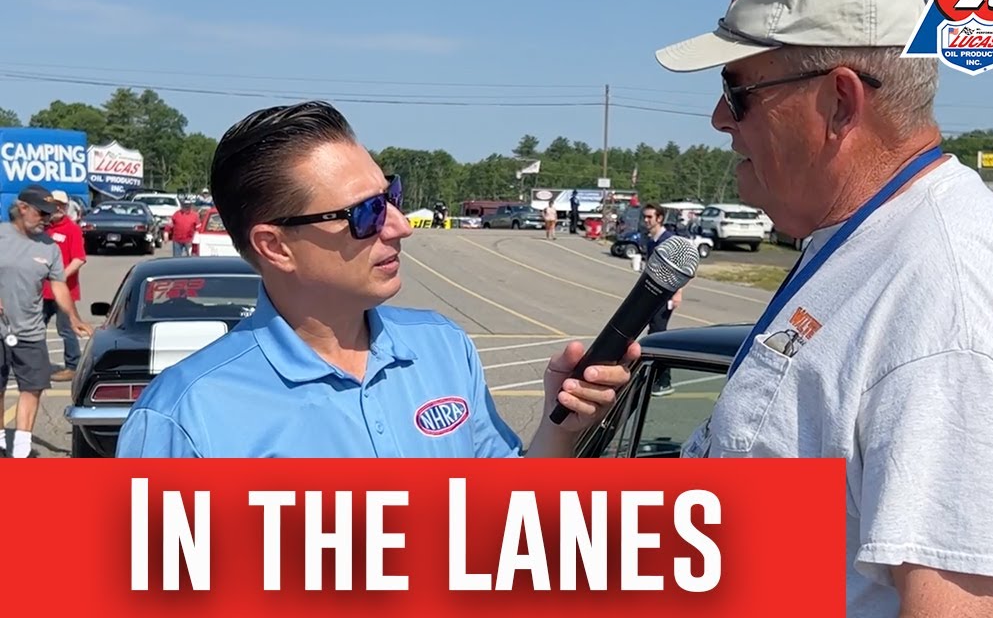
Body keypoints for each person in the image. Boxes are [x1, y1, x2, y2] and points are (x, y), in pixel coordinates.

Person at [653, 0, 993, 618]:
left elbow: (955, 607)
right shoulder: (876, 242)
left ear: (840, 103)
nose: (720, 119)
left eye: (737, 90)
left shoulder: (949, 287)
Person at [116, 101, 635, 458]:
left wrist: (559, 426)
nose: (400, 226)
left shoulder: (442, 347)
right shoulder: (185, 417)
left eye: (392, 197)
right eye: (365, 213)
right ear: (275, 246)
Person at [0, 186, 94, 457]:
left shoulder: (49, 247)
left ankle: (21, 448)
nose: (46, 219)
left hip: (30, 330)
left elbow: (59, 285)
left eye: (49, 214)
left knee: (33, 387)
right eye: (41, 213)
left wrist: (74, 317)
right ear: (22, 208)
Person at [40, 190, 88, 379]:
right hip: (42, 291)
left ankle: (73, 366)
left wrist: (59, 276)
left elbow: (79, 259)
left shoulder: (72, 229)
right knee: (35, 328)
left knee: (66, 329)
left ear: (66, 207)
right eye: (54, 205)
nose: (57, 208)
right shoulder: (42, 229)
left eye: (61, 205)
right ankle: (36, 364)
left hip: (65, 291)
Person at [640, 203, 681, 396]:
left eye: (650, 217)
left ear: (659, 218)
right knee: (652, 334)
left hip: (665, 296)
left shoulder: (669, 241)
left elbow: (680, 269)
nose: (646, 220)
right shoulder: (651, 241)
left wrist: (677, 292)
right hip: (652, 295)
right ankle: (654, 376)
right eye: (645, 217)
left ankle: (664, 381)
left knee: (659, 335)